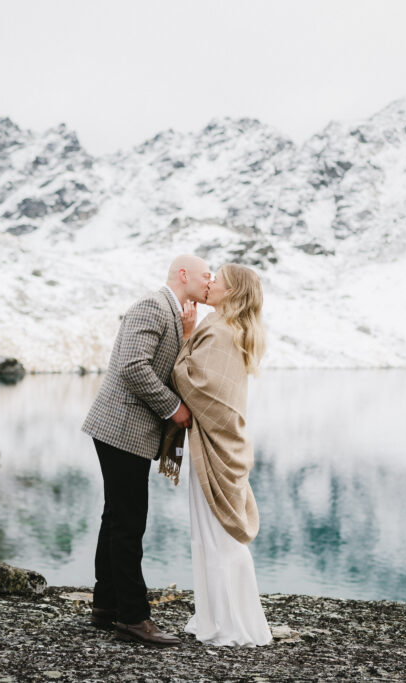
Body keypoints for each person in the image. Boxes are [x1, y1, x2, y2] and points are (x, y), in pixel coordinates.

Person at [81, 254, 211, 647]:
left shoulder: (173, 313)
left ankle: (105, 606)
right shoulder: (152, 306)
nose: (210, 281)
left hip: (125, 431)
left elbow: (158, 363)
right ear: (183, 275)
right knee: (129, 522)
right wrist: (174, 408)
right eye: (207, 275)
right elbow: (133, 367)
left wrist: (187, 336)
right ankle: (133, 618)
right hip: (121, 429)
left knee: (116, 517)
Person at [169, 263, 273, 647]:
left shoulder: (218, 330)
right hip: (223, 443)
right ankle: (221, 617)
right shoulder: (236, 329)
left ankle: (230, 626)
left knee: (214, 536)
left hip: (214, 446)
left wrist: (184, 336)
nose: (210, 283)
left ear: (231, 292)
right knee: (216, 537)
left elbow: (197, 385)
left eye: (218, 281)